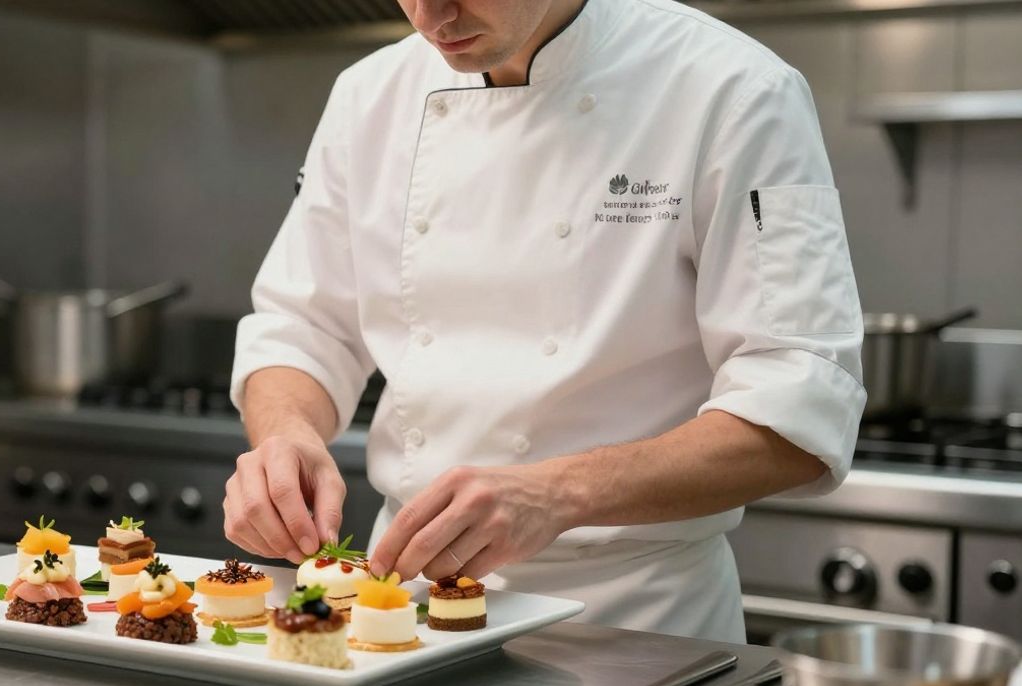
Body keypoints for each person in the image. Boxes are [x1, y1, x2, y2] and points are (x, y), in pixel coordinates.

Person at [224, 0, 865, 642]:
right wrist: (287, 435)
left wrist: (559, 492)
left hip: (641, 626)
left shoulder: (733, 90)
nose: (430, 15)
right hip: (410, 619)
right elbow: (303, 328)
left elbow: (800, 409)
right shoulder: (369, 96)